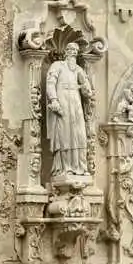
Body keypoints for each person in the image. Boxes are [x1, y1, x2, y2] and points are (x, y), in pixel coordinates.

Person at [46, 43, 92, 184]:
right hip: (63, 98)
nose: (73, 52)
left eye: (76, 51)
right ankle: (65, 168)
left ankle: (80, 167)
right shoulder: (57, 65)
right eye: (71, 50)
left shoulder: (78, 69)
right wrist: (54, 99)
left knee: (79, 134)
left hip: (76, 100)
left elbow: (87, 89)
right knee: (64, 133)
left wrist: (86, 88)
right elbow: (50, 83)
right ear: (65, 52)